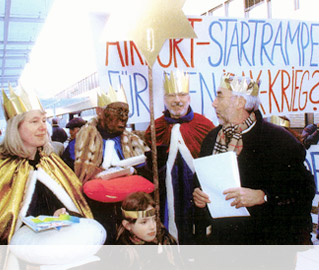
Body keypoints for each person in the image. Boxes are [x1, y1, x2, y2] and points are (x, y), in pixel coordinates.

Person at [193, 73, 316, 245]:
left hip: (268, 245)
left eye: (220, 96)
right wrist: (198, 197)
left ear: (240, 102)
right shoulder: (212, 138)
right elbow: (199, 183)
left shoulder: (279, 140)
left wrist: (263, 196)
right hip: (224, 243)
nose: (214, 103)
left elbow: (304, 190)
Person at [0, 88, 93, 244]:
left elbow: (77, 204)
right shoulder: (4, 168)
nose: (43, 127)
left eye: (44, 120)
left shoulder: (51, 161)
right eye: (34, 121)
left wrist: (63, 212)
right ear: (15, 127)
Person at [73, 85, 150, 244]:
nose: (123, 118)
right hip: (98, 210)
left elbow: (147, 175)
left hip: (129, 212)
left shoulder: (135, 141)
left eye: (126, 113)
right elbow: (75, 179)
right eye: (117, 111)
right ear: (100, 112)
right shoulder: (79, 143)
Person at [145, 70, 215, 244]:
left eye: (182, 94)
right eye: (171, 95)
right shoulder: (156, 128)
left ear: (189, 98)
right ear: (164, 99)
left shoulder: (205, 125)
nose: (177, 100)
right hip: (168, 196)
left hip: (198, 194)